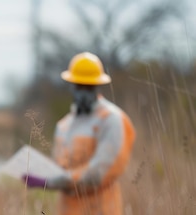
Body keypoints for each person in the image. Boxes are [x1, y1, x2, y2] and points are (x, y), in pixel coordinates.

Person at [22, 52, 136, 215]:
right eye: (79, 86)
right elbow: (60, 166)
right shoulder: (65, 124)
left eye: (88, 87)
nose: (83, 92)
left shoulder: (112, 119)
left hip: (100, 210)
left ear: (98, 86)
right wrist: (39, 172)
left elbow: (100, 172)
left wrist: (52, 181)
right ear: (71, 86)